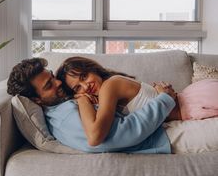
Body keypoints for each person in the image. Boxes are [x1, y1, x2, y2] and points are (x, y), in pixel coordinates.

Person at [7, 57, 177, 154]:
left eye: (52, 77)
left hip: (167, 125)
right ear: (37, 100)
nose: (58, 83)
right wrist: (164, 99)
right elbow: (117, 134)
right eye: (48, 86)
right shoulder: (66, 116)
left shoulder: (64, 106)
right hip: (165, 136)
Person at [57, 56, 218, 147]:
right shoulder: (107, 89)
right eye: (77, 88)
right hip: (191, 102)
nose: (86, 86)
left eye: (84, 77)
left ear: (92, 69)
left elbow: (95, 137)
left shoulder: (109, 86)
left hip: (194, 102)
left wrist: (82, 100)